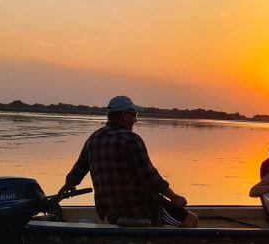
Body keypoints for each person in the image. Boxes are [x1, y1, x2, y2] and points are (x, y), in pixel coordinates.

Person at [60, 96, 198, 228]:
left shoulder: (93, 139)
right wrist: (174, 197)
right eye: (134, 114)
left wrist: (68, 185)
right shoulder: (132, 140)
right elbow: (151, 178)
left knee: (159, 220)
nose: (135, 120)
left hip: (108, 211)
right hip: (139, 207)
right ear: (125, 115)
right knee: (191, 220)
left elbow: (78, 170)